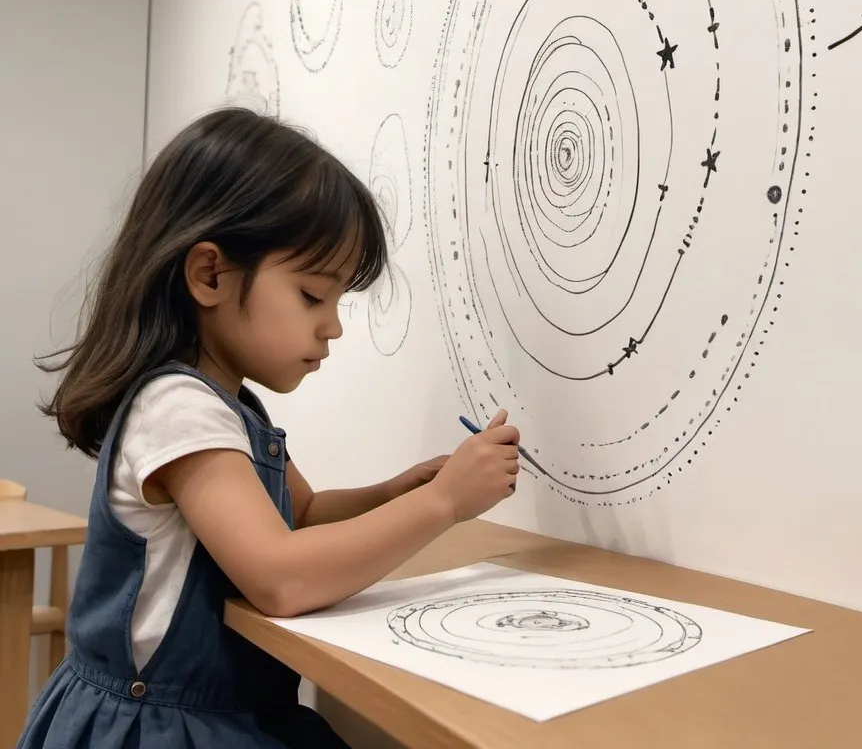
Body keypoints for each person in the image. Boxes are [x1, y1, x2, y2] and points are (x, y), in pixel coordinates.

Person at [18, 107, 521, 748]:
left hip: (220, 710)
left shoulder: (234, 407)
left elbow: (302, 513)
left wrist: (399, 490)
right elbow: (279, 577)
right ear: (210, 275)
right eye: (313, 296)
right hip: (166, 726)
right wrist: (443, 502)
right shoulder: (177, 408)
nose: (333, 326)